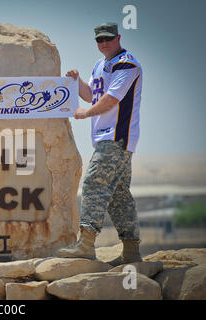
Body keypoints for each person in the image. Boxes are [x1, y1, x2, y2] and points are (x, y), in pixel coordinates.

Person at [57, 22, 143, 266]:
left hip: (115, 137)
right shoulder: (100, 65)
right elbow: (92, 95)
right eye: (99, 40)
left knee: (94, 183)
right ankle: (131, 251)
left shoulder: (127, 64)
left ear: (118, 37)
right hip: (108, 139)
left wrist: (86, 114)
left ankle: (85, 245)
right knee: (118, 194)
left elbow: (111, 98)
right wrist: (78, 80)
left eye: (108, 38)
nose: (103, 43)